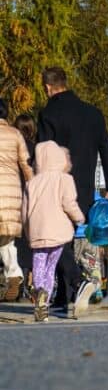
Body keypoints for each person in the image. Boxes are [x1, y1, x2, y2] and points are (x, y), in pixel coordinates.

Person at [37, 67, 108, 306]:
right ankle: (65, 295)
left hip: (57, 186)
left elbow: (44, 152)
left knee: (55, 238)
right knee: (68, 238)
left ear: (48, 87)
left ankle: (76, 281)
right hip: (84, 188)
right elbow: (106, 148)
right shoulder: (93, 113)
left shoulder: (49, 113)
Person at [23, 141, 86, 322]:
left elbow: (24, 210)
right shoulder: (65, 179)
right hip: (58, 231)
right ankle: (46, 297)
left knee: (39, 262)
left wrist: (28, 231)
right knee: (51, 266)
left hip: (38, 230)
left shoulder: (32, 183)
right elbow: (69, 203)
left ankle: (39, 292)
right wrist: (79, 218)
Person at [0, 100, 33, 302]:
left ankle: (12, 274)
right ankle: (13, 274)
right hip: (12, 193)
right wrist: (34, 186)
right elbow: (26, 164)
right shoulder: (15, 134)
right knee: (6, 239)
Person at [12, 114, 37, 301]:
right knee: (28, 244)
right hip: (30, 200)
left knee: (12, 243)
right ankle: (27, 283)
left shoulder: (12, 148)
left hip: (12, 197)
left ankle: (14, 281)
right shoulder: (36, 149)